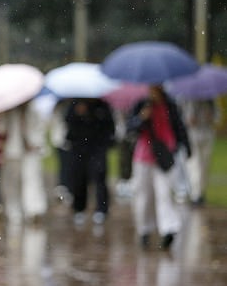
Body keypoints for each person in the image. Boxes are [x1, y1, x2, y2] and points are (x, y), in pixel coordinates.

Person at [126, 85, 191, 250]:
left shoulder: (170, 104)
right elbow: (131, 129)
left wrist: (185, 146)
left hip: (165, 156)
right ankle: (144, 229)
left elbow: (178, 127)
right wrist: (142, 117)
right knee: (144, 195)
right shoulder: (141, 103)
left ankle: (168, 229)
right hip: (144, 156)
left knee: (164, 194)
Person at [64, 98, 116, 225]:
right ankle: (79, 209)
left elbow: (109, 127)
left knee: (99, 177)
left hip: (97, 148)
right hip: (79, 149)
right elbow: (68, 125)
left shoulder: (103, 106)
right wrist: (78, 115)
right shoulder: (74, 105)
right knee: (79, 178)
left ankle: (102, 209)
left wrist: (93, 117)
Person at [1, 101, 48, 223]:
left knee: (32, 179)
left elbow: (40, 127)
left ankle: (34, 210)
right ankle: (13, 211)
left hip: (31, 151)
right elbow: (1, 129)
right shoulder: (8, 111)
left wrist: (37, 143)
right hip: (13, 151)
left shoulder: (34, 109)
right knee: (12, 182)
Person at [180, 98, 220, 206]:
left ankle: (200, 192)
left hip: (207, 135)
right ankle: (195, 194)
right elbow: (183, 118)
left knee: (204, 166)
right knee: (194, 165)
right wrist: (189, 120)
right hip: (193, 136)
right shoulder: (188, 100)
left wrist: (211, 118)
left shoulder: (211, 100)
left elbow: (217, 116)